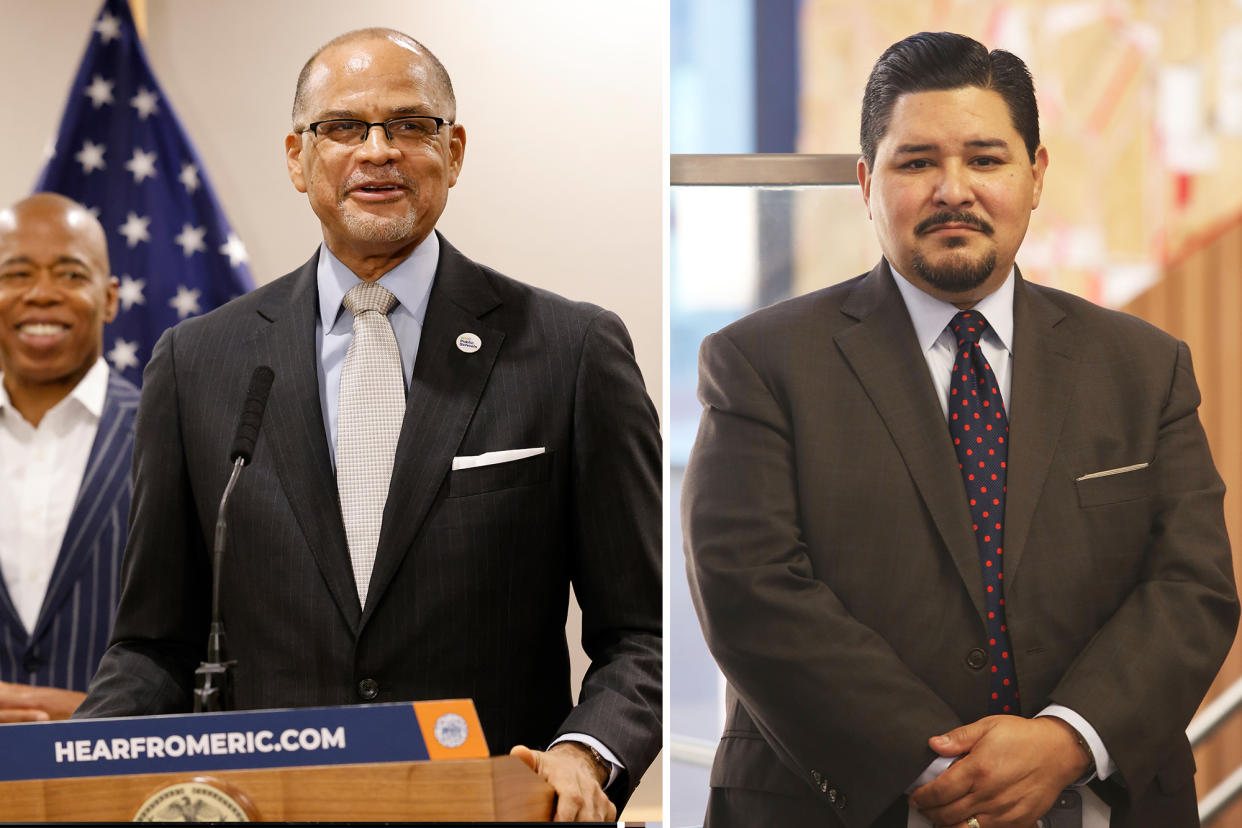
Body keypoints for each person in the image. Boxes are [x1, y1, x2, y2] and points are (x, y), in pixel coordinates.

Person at [75, 28, 661, 822]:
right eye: (344, 127)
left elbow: (644, 633)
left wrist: (584, 750)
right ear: (297, 158)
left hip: (490, 807)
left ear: (453, 153)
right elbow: (153, 647)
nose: (377, 150)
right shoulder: (197, 364)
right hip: (268, 808)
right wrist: (63, 771)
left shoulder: (570, 350)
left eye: (410, 126)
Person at [682, 31, 1238, 828]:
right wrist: (943, 769)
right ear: (867, 183)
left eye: (985, 159)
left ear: (1035, 175)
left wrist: (1064, 741)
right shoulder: (759, 362)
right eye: (917, 163)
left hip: (1100, 803)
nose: (954, 190)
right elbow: (751, 591)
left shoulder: (1144, 367)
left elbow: (1193, 586)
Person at [0, 193, 138, 722]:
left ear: (109, 298)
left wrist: (103, 717)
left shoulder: (171, 433)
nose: (41, 294)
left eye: (69, 274)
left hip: (120, 784)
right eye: (16, 273)